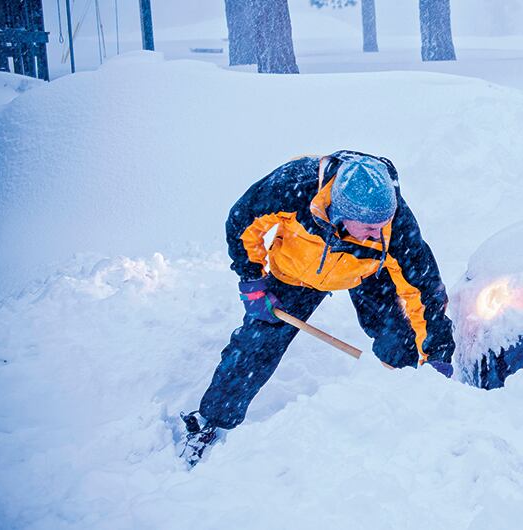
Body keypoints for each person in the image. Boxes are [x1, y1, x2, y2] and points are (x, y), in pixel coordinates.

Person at [181, 150, 455, 464]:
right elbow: (243, 223)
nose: (379, 233)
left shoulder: (395, 227)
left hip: (366, 271)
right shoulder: (291, 187)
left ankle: (414, 402)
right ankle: (211, 420)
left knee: (400, 338)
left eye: (384, 224)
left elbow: (424, 293)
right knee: (255, 348)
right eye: (369, 228)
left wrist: (437, 354)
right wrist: (251, 280)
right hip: (296, 272)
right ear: (341, 211)